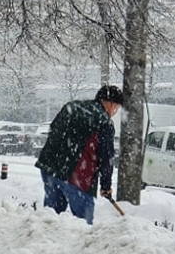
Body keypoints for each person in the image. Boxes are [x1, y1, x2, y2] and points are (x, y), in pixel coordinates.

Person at [35, 85, 123, 224]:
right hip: (77, 176)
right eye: (117, 108)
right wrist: (106, 186)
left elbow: (54, 128)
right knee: (83, 226)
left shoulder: (72, 106)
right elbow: (106, 157)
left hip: (49, 168)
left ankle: (46, 243)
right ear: (111, 103)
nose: (115, 112)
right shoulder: (104, 122)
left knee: (50, 220)